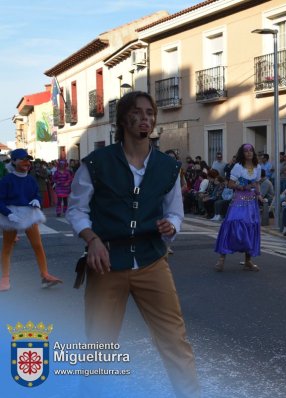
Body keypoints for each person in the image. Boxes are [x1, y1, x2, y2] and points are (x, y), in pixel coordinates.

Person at [65, 91, 199, 397]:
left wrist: (171, 225)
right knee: (100, 343)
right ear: (123, 119)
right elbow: (76, 209)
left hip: (152, 261)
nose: (145, 118)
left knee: (175, 340)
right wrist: (92, 239)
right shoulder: (96, 163)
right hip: (106, 263)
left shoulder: (167, 167)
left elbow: (175, 212)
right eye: (137, 112)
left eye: (150, 113)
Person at [0, 149, 63, 291]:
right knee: (7, 248)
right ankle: (4, 279)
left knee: (37, 244)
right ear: (14, 161)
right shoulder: (7, 180)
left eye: (28, 160)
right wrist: (7, 213)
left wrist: (36, 199)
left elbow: (36, 193)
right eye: (23, 160)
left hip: (29, 214)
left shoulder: (30, 179)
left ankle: (45, 275)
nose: (27, 163)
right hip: (11, 214)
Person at [214, 143, 262, 272]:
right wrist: (242, 187)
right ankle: (222, 258)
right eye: (246, 151)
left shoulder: (257, 167)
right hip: (239, 199)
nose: (249, 153)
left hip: (251, 201)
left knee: (251, 225)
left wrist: (259, 195)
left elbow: (257, 184)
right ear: (242, 153)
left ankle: (248, 261)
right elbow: (230, 184)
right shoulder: (238, 167)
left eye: (251, 150)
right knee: (231, 223)